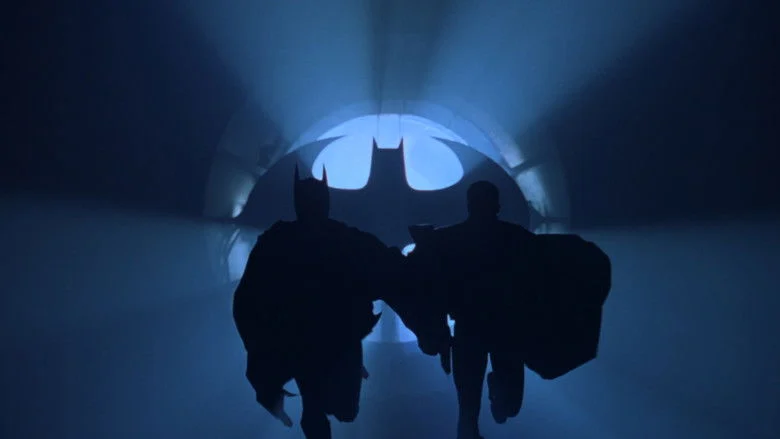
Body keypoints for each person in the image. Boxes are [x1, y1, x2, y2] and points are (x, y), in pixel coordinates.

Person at [232, 165, 408, 439]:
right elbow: (249, 297)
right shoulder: (295, 240)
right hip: (306, 337)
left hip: (335, 336)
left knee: (344, 410)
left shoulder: (288, 240)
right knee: (317, 405)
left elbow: (246, 298)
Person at [406, 181, 537, 439]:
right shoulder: (513, 237)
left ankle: (494, 395)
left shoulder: (453, 239)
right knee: (470, 409)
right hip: (478, 329)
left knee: (498, 407)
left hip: (494, 330)